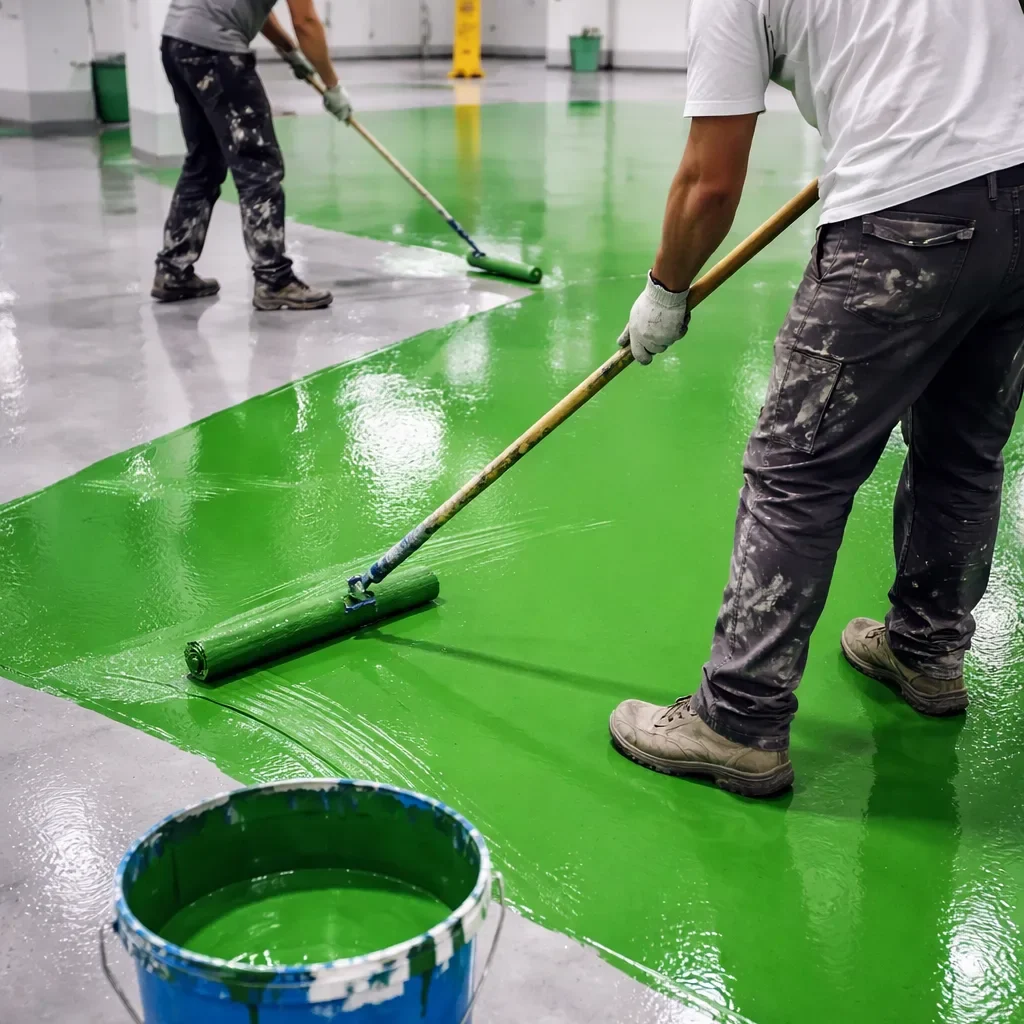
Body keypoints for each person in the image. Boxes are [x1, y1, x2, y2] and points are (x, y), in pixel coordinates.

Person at [609, 0, 1024, 797]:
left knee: (797, 471)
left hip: (908, 219)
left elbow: (709, 181)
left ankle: (737, 722)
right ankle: (927, 651)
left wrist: (664, 293)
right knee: (964, 450)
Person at [152, 0, 353, 310]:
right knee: (259, 165)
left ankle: (173, 270)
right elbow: (306, 22)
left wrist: (289, 51)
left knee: (204, 160)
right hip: (214, 50)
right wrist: (332, 85)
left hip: (177, 43)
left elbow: (260, 9)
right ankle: (274, 280)